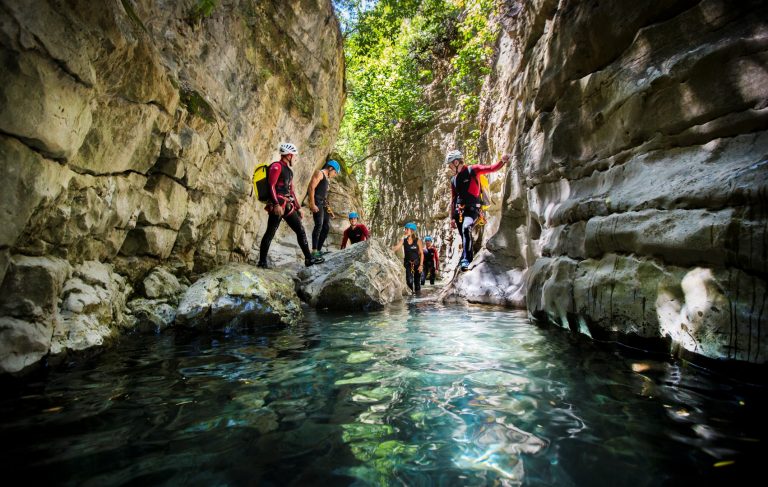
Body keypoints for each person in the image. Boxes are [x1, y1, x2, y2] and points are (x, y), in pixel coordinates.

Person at [258, 142, 325, 268]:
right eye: (293, 155)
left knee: (300, 230)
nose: (294, 157)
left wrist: (298, 208)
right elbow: (271, 185)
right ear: (288, 155)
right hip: (278, 205)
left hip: (287, 205)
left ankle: (308, 259)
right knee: (270, 233)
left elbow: (291, 191)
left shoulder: (289, 171)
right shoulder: (276, 167)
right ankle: (262, 262)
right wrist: (276, 204)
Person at [446, 149, 509, 271]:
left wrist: (502, 161)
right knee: (463, 234)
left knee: (466, 228)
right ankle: (465, 255)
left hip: (473, 210)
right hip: (459, 212)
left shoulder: (472, 170)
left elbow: (491, 168)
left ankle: (466, 260)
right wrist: (452, 218)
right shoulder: (453, 180)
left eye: (450, 164)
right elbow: (453, 199)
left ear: (456, 162)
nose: (449, 167)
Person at [307, 160, 340, 258]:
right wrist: (312, 204)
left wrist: (329, 210)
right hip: (316, 203)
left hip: (323, 204)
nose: (335, 175)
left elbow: (324, 196)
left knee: (326, 227)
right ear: (330, 168)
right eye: (335, 172)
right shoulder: (320, 173)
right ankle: (314, 251)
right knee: (319, 225)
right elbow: (311, 188)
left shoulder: (327, 178)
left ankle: (319, 250)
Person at [390, 222, 423, 294]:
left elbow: (422, 254)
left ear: (412, 231)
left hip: (417, 264)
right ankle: (410, 300)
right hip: (408, 264)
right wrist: (388, 249)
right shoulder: (403, 240)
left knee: (417, 283)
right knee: (409, 281)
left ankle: (417, 299)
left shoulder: (418, 241)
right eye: (405, 229)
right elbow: (396, 248)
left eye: (406, 229)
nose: (405, 231)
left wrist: (421, 265)